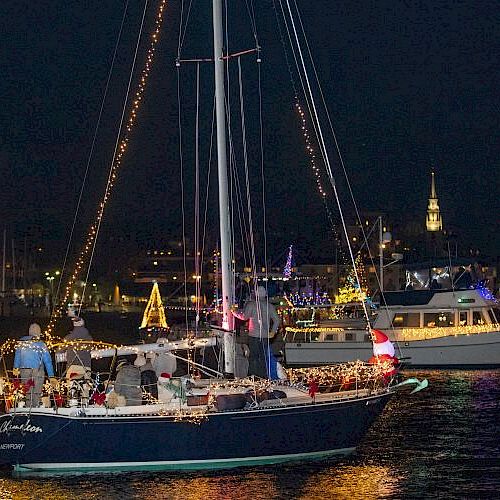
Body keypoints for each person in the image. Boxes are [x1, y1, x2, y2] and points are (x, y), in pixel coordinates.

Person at [232, 285, 280, 378]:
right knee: (263, 358)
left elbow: (244, 317)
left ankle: (253, 377)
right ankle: (263, 377)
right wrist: (272, 332)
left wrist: (234, 311)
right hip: (266, 336)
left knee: (253, 357)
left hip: (254, 335)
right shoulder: (269, 306)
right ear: (265, 294)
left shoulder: (252, 305)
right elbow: (277, 320)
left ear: (256, 294)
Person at [13, 323, 55, 407]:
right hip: (37, 370)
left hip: (24, 370)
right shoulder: (41, 344)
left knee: (28, 390)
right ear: (39, 332)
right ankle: (36, 407)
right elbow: (47, 361)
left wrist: (16, 368)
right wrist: (51, 376)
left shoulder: (21, 342)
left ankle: (29, 406)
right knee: (37, 390)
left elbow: (17, 356)